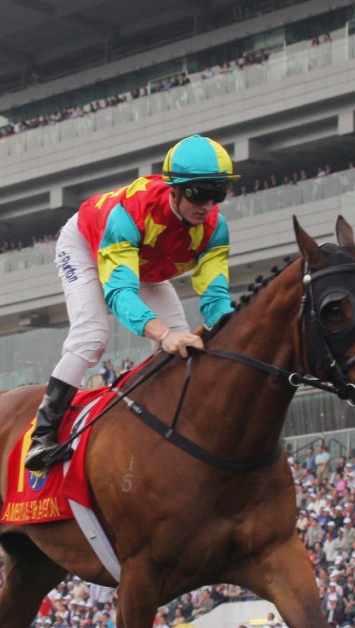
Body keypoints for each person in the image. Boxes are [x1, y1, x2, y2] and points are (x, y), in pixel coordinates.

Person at [24, 134, 238, 470]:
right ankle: (42, 435)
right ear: (175, 189)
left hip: (143, 262)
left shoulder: (215, 228)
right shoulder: (131, 213)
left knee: (179, 341)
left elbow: (215, 300)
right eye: (199, 194)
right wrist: (163, 334)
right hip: (85, 245)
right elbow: (120, 293)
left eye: (218, 194)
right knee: (92, 334)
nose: (207, 205)